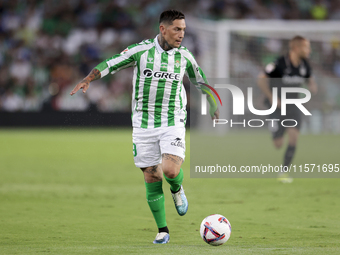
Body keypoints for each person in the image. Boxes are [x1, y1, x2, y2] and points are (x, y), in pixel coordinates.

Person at [70, 10, 219, 244]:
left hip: (173, 120)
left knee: (170, 170)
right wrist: (89, 78)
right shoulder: (141, 51)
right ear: (163, 29)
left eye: (184, 30)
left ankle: (177, 188)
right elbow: (112, 63)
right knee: (151, 176)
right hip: (143, 123)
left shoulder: (185, 57)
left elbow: (200, 80)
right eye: (177, 29)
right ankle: (163, 230)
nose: (181, 34)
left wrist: (212, 105)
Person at [258, 35, 318, 183]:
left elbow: (310, 80)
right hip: (276, 107)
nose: (309, 50)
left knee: (293, 138)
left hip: (293, 105)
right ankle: (278, 130)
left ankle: (283, 172)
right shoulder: (279, 63)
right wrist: (272, 98)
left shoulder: (305, 65)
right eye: (306, 47)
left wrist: (312, 86)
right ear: (296, 48)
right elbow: (261, 79)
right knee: (278, 144)